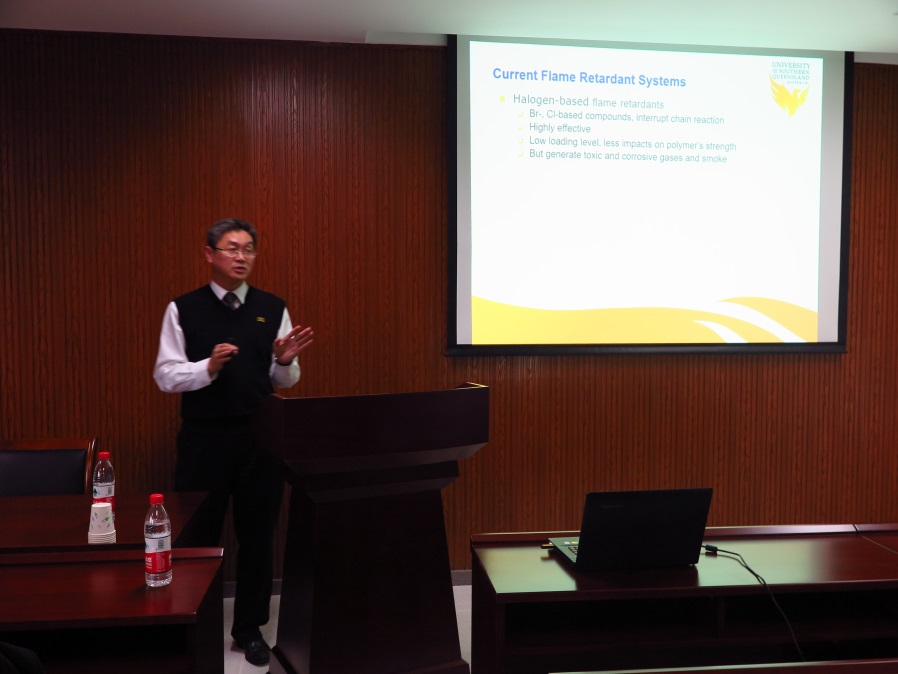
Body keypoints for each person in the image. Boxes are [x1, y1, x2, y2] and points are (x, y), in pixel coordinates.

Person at [153, 218, 313, 666]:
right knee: (198, 537)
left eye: (248, 249)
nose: (241, 257)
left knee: (258, 536)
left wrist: (284, 362)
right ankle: (193, 626)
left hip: (259, 440)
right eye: (231, 248)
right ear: (209, 254)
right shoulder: (183, 308)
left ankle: (249, 630)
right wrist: (207, 367)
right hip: (203, 439)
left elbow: (285, 378)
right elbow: (165, 375)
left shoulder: (271, 307)